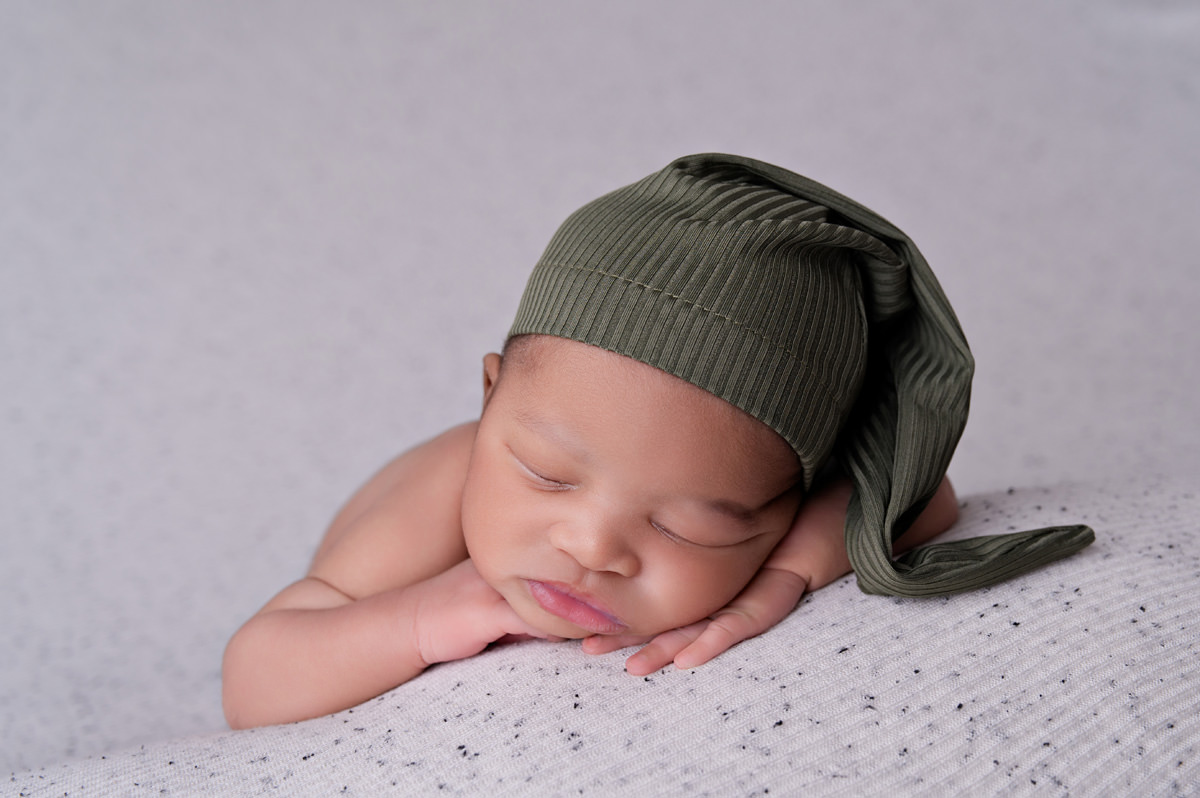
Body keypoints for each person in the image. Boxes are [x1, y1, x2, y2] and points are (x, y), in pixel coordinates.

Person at [222, 154, 1093, 730]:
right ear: (490, 401)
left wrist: (786, 575)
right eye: (547, 474)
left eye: (689, 527)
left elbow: (918, 498)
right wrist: (417, 620)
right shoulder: (445, 487)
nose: (593, 546)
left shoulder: (785, 510)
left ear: (791, 496)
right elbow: (255, 682)